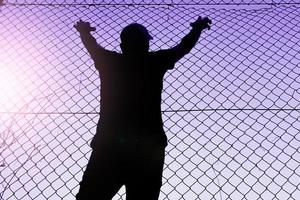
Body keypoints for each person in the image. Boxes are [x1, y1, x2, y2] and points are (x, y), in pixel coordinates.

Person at [74, 16, 211, 200]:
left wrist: (84, 32)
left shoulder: (110, 62)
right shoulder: (154, 62)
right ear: (147, 44)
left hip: (109, 146)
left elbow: (93, 47)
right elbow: (183, 47)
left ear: (123, 46)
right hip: (148, 148)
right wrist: (197, 29)